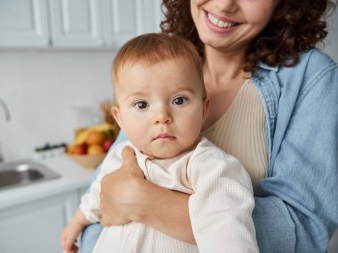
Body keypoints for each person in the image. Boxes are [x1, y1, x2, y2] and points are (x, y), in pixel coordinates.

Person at [79, 0, 338, 252]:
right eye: (142, 105)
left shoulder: (311, 77)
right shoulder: (158, 67)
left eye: (180, 100)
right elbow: (98, 211)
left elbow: (306, 233)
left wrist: (144, 203)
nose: (225, 5)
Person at [61, 33, 259, 253]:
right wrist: (78, 221)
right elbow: (99, 194)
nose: (162, 116)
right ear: (120, 118)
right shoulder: (120, 156)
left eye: (179, 100)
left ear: (204, 109)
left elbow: (228, 232)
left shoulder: (211, 167)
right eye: (142, 104)